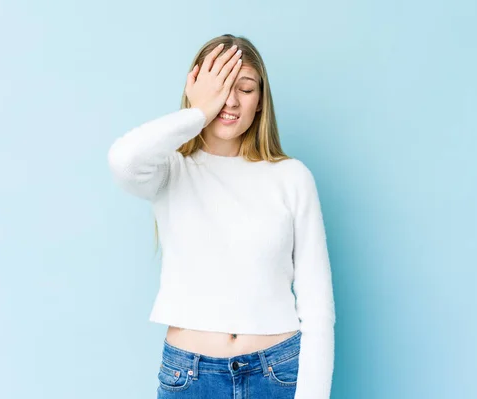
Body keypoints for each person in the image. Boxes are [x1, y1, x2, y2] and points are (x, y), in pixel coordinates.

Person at [107, 34, 336, 399]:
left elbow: (318, 307)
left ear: (260, 100)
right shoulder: (170, 170)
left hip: (278, 373)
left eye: (244, 88)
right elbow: (123, 160)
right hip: (191, 376)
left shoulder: (292, 177)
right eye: (220, 87)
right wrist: (197, 113)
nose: (230, 101)